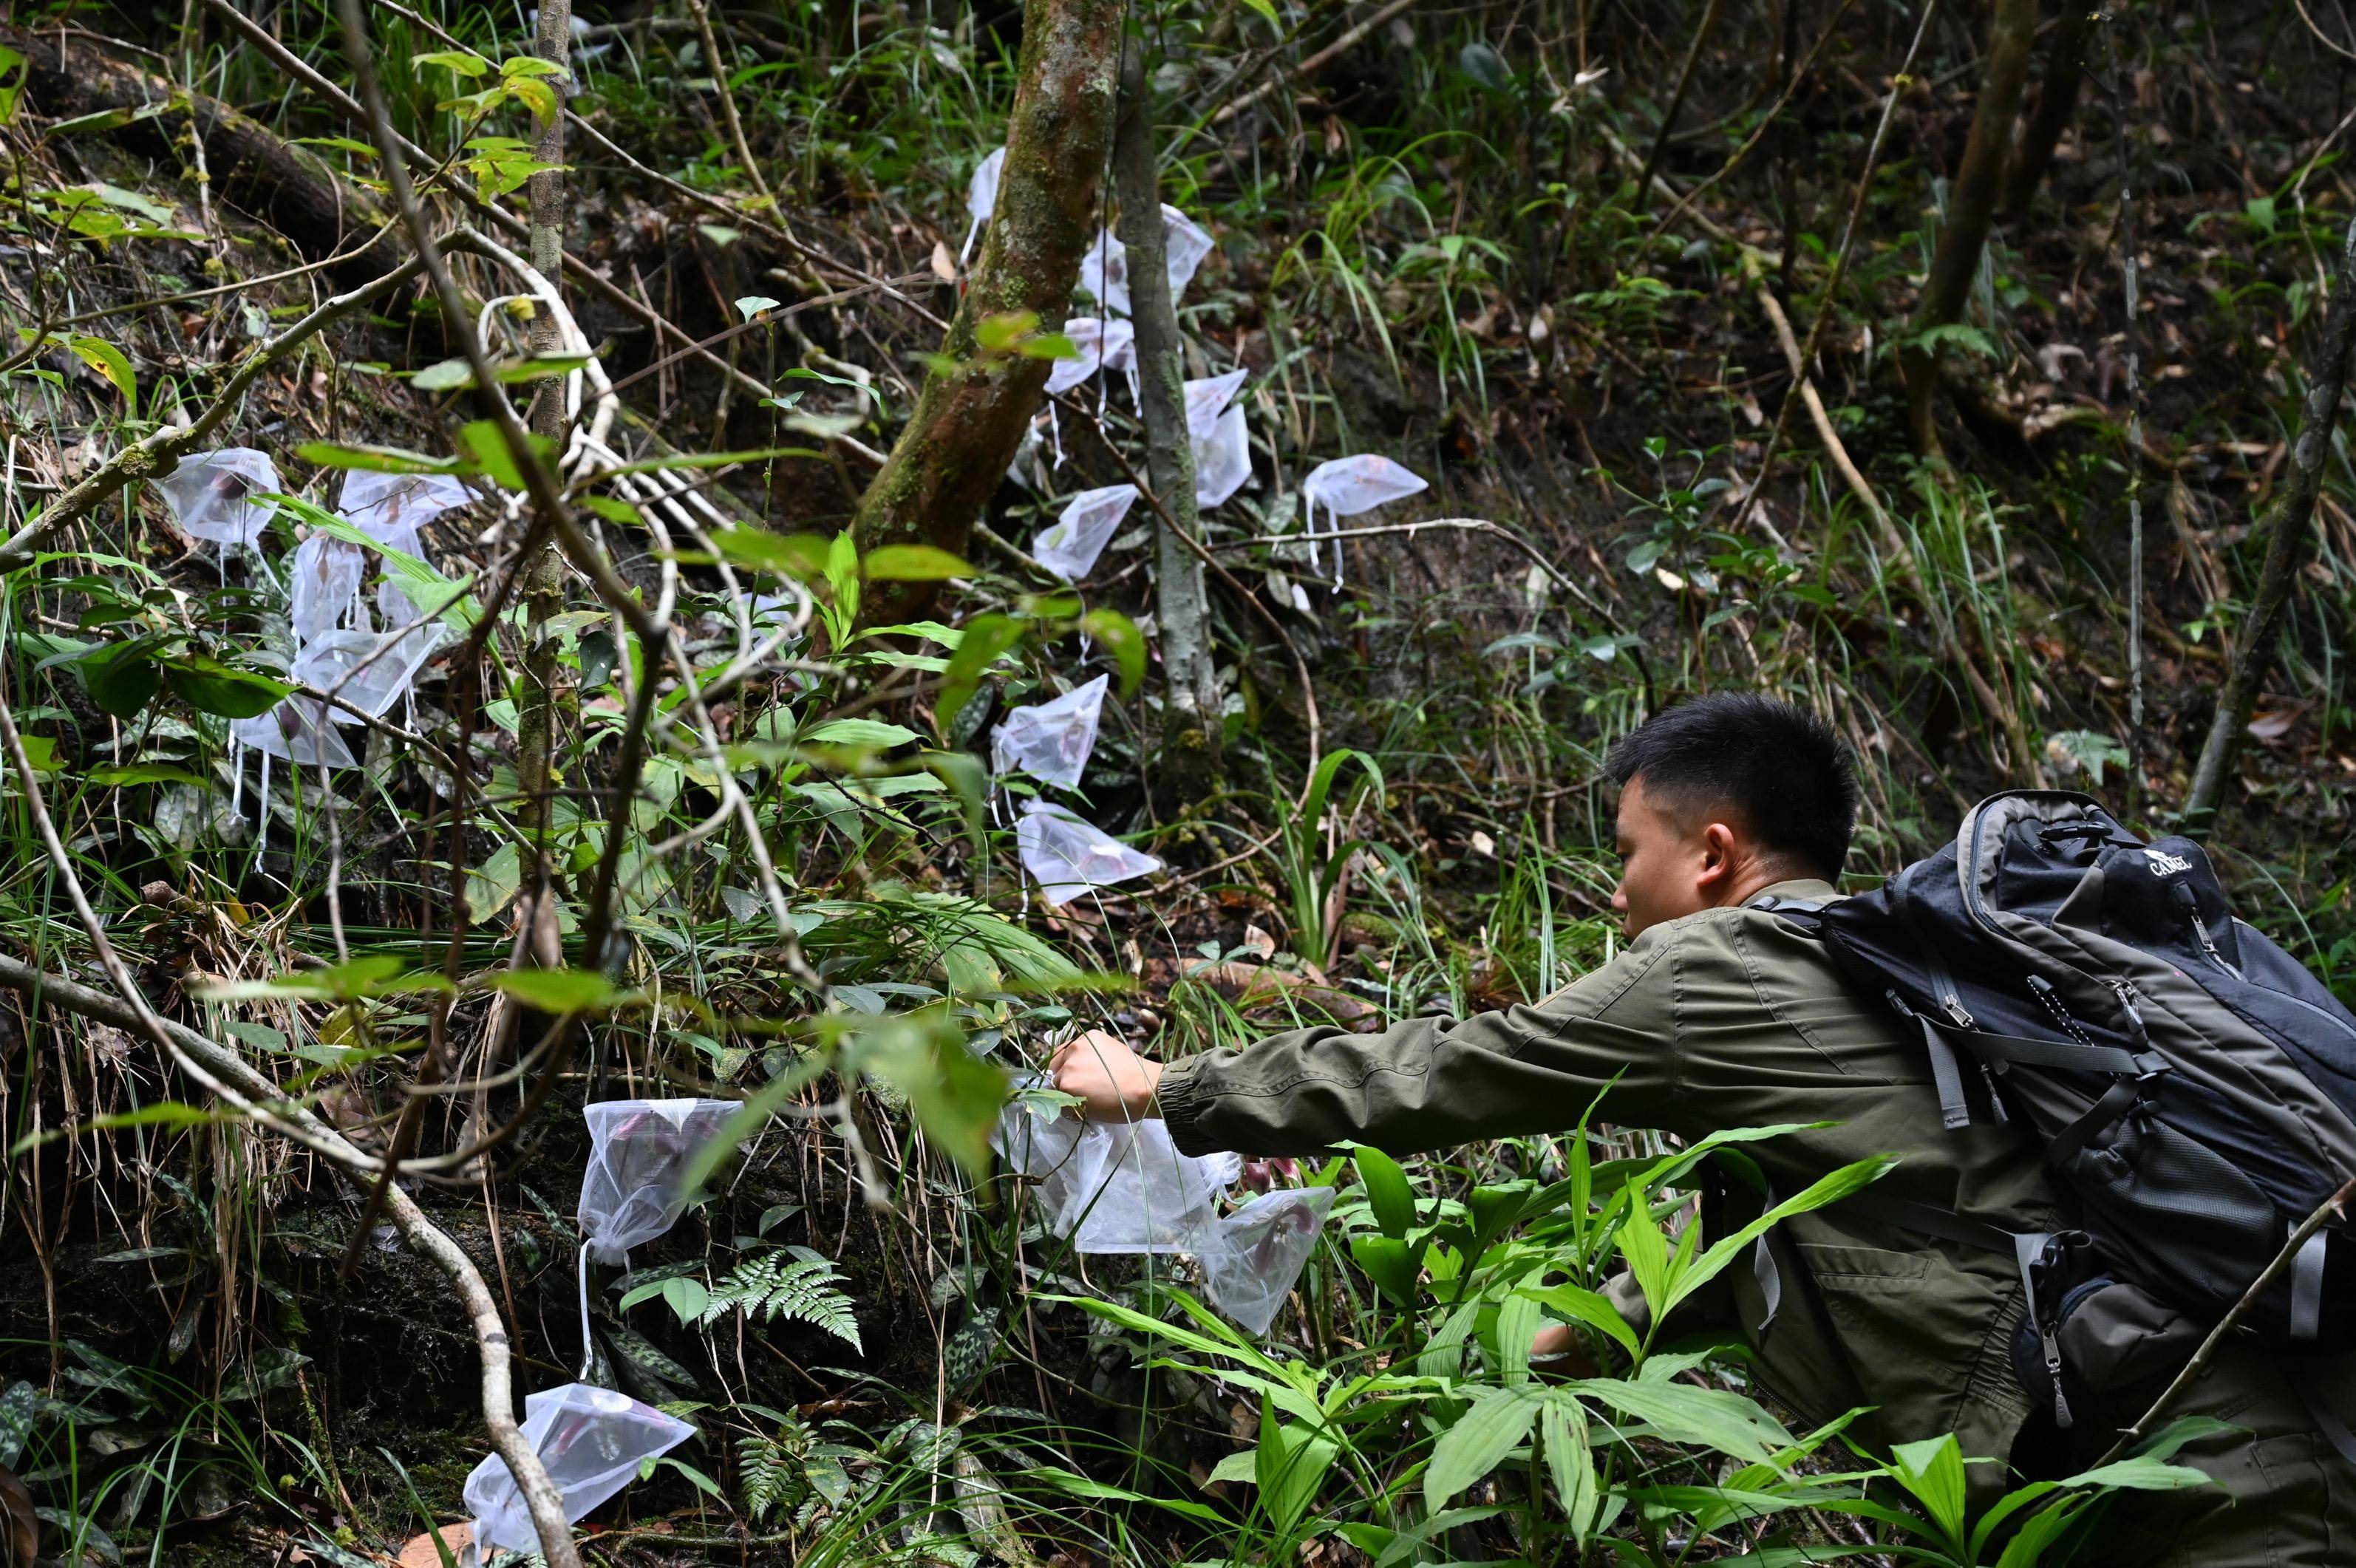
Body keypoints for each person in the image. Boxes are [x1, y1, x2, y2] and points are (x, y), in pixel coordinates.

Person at [1050, 693, 2355, 1565]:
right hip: (2201, 1447)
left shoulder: (1719, 967)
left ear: (1716, 852)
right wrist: (1555, 1347)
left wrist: (1166, 1086)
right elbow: (1790, 1219)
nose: (1618, 896)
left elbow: (1450, 1072)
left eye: (1630, 853)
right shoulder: (1873, 981)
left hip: (2199, 1483)